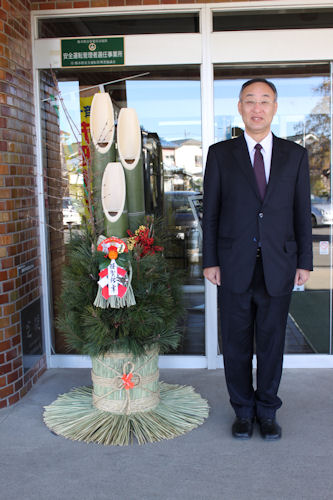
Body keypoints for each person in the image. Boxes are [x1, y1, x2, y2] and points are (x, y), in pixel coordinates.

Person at [203, 78, 313, 440]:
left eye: (265, 101)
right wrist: (210, 260)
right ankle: (243, 411)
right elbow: (212, 214)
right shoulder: (221, 154)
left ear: (275, 108)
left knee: (271, 344)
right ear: (239, 107)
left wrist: (305, 262)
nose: (257, 108)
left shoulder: (295, 155)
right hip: (233, 265)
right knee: (235, 345)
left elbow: (301, 212)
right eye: (250, 100)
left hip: (279, 265)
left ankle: (267, 410)